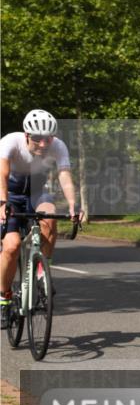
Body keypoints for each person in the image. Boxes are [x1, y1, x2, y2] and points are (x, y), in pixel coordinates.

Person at [0, 110, 79, 329]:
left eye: (48, 138)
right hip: (11, 195)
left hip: (36, 192)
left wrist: (73, 204)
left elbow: (64, 174)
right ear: (26, 134)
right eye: (37, 139)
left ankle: (43, 273)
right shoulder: (10, 142)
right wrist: (3, 203)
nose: (43, 144)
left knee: (49, 216)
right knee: (11, 246)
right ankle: (3, 297)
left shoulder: (58, 146)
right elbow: (2, 174)